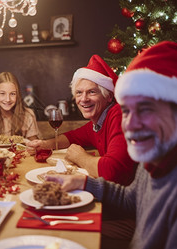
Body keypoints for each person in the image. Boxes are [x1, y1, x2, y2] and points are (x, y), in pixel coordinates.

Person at [47, 41, 177, 249]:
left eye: (146, 109)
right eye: (127, 110)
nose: (131, 124)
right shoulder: (160, 150)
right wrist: (82, 184)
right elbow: (132, 198)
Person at [27, 55, 137, 186]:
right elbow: (72, 137)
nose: (83, 99)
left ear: (108, 96)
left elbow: (112, 171)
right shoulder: (98, 122)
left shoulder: (119, 115)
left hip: (131, 200)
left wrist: (80, 158)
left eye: (91, 92)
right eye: (79, 93)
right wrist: (45, 144)